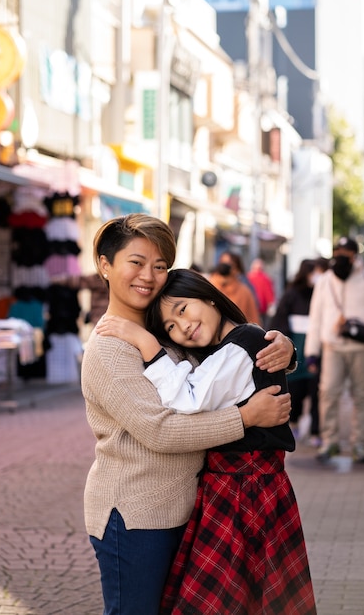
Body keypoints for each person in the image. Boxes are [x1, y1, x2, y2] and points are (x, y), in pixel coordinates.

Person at [80, 213, 295, 615]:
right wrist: (247, 417)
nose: (149, 275)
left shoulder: (167, 331)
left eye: (160, 266)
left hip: (187, 508)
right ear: (105, 265)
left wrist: (280, 349)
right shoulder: (111, 349)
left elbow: (225, 365)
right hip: (135, 516)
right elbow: (161, 432)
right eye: (136, 262)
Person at [305, 237, 364, 464]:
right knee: (328, 393)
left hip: (362, 347)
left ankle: (359, 444)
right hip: (333, 346)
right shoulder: (325, 281)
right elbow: (316, 317)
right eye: (337, 251)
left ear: (354, 256)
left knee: (363, 395)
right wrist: (312, 351)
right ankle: (329, 442)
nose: (341, 256)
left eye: (345, 252)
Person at [271, 257, 328, 445]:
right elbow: (280, 323)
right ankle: (293, 422)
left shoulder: (322, 294)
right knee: (295, 391)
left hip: (316, 350)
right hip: (296, 350)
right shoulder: (291, 294)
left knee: (316, 392)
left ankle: (315, 431)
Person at [248, 257, 276, 328]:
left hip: (252, 306)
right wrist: (271, 304)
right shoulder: (266, 278)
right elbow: (269, 293)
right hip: (263, 307)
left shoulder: (248, 277)